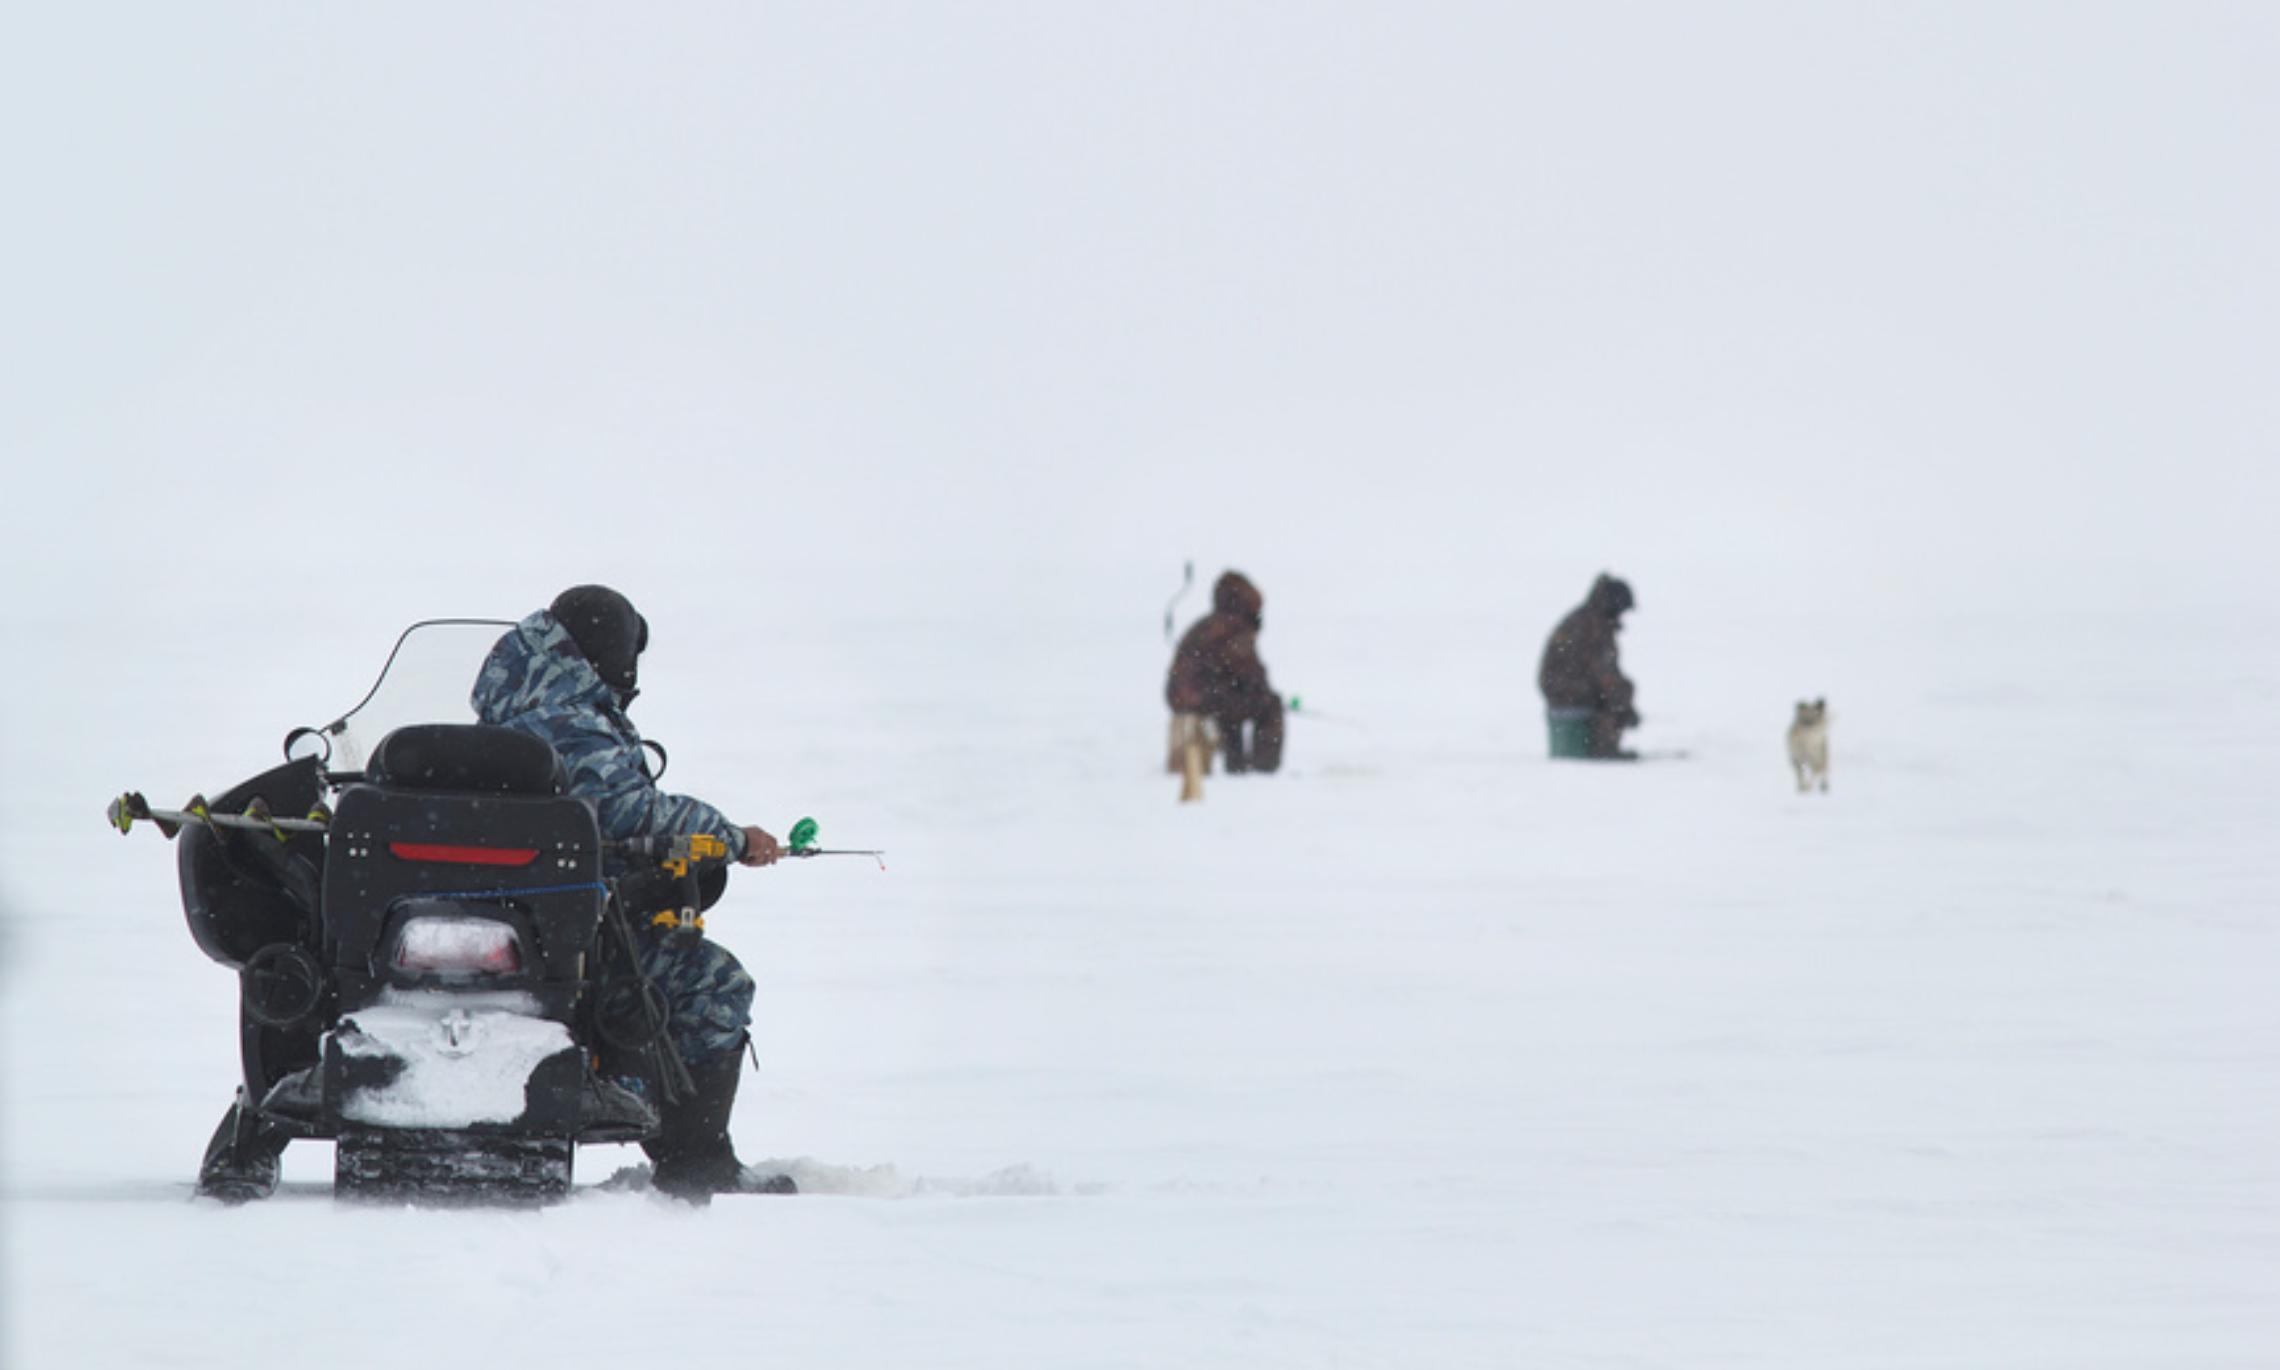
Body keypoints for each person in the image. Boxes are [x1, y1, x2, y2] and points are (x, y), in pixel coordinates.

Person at [472, 585, 785, 1199]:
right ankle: (697, 1164)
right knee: (714, 982)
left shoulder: (513, 700)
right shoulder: (564, 713)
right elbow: (628, 814)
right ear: (611, 653)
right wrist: (732, 838)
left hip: (505, 912)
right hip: (562, 933)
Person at [1166, 570, 1284, 774]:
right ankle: (1262, 770)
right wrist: (1264, 693)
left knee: (1231, 706)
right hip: (1206, 699)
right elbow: (1250, 673)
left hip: (1183, 698)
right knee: (1268, 705)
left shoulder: (1204, 625)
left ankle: (1236, 767)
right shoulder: (1235, 627)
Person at [1538, 573, 1639, 760]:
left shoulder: (1586, 618)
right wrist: (1626, 707)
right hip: (1567, 689)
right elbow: (1605, 675)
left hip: (1560, 688)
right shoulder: (1594, 626)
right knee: (1618, 692)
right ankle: (1603, 749)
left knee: (1616, 691)